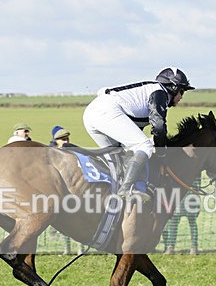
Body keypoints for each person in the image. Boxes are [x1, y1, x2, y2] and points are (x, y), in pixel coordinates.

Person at [82, 67, 194, 201]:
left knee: (118, 158)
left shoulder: (150, 93)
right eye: (182, 91)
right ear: (174, 88)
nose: (181, 97)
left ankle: (112, 194)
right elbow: (158, 127)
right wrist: (161, 152)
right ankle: (127, 189)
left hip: (92, 114)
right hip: (106, 111)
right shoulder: (160, 93)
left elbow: (133, 131)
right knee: (144, 146)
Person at [162, 174, 201, 255]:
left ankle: (171, 248)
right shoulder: (196, 163)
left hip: (183, 194)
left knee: (176, 222)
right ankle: (193, 248)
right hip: (185, 195)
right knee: (175, 222)